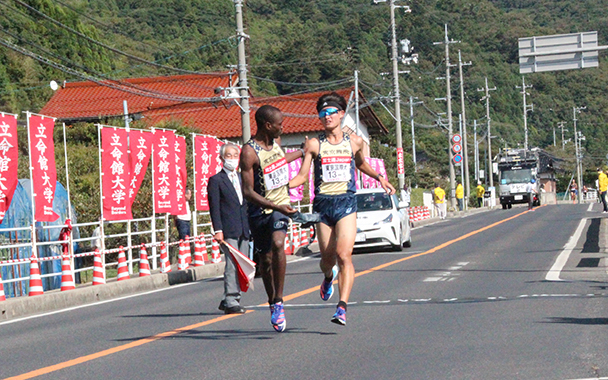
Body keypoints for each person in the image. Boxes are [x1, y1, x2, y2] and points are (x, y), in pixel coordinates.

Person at [290, 92, 395, 326]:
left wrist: (380, 178)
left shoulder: (354, 141)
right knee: (327, 259)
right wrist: (281, 187)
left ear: (340, 114)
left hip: (347, 203)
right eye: (322, 113)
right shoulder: (315, 144)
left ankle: (342, 307)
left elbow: (360, 164)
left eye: (331, 112)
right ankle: (328, 277)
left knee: (344, 255)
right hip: (323, 205)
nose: (326, 117)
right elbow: (301, 175)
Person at [240, 105, 305, 332]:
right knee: (265, 260)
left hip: (280, 209)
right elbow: (248, 192)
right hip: (260, 211)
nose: (282, 127)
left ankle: (279, 300)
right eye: (280, 123)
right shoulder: (249, 152)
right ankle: (271, 301)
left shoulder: (275, 145)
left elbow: (279, 162)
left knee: (279, 244)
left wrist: (302, 152)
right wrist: (274, 205)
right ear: (268, 125)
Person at [208, 143, 250, 314]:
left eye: (235, 155)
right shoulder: (216, 180)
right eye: (229, 155)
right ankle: (232, 300)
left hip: (244, 228)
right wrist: (218, 229)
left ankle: (229, 299)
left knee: (244, 264)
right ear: (221, 158)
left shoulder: (243, 178)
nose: (232, 159)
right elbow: (214, 207)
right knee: (232, 265)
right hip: (228, 228)